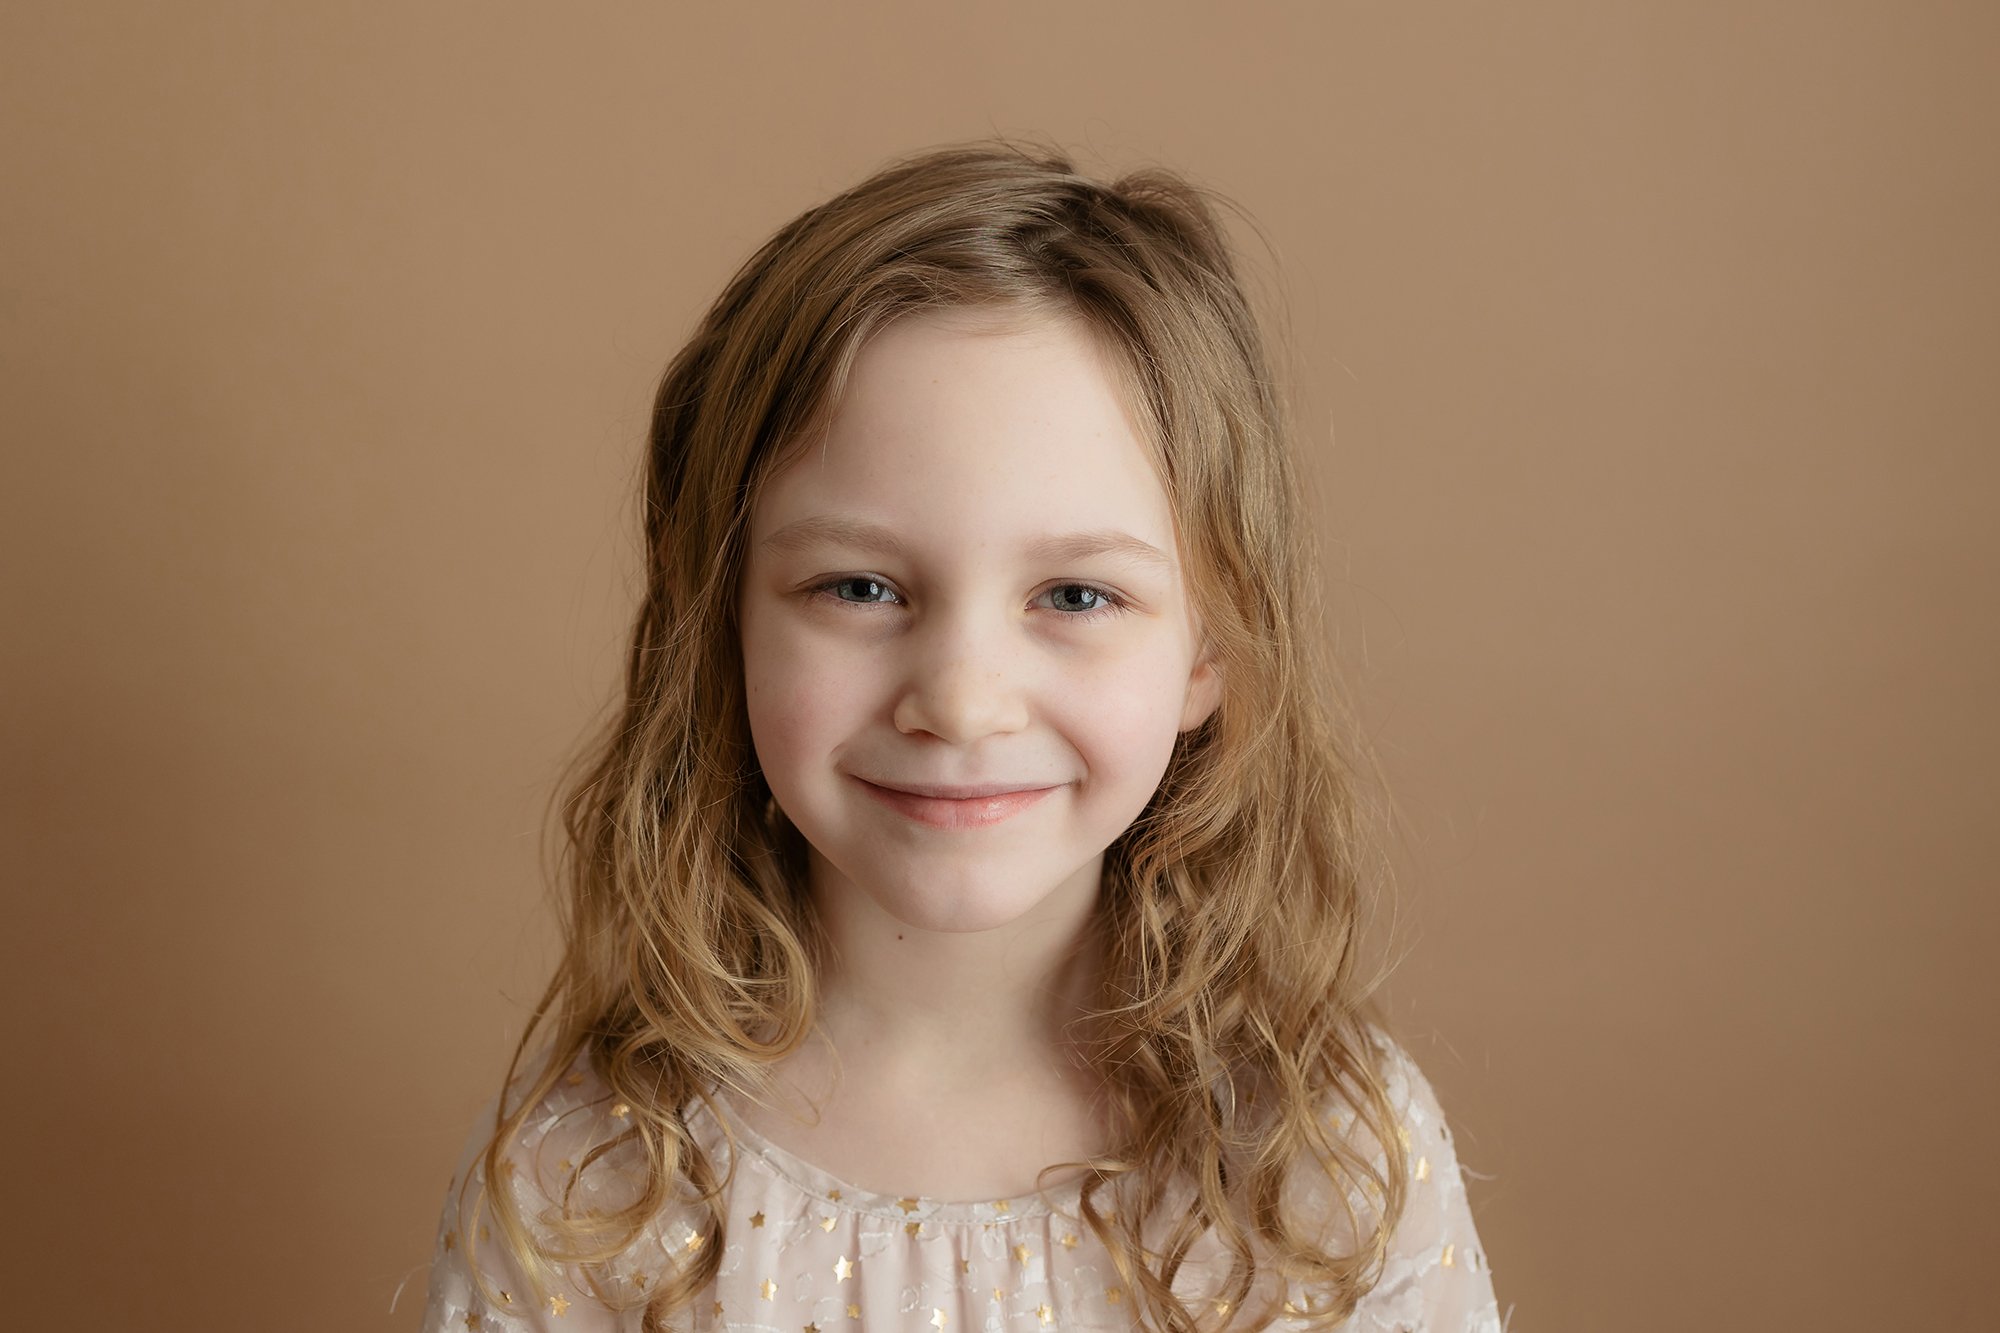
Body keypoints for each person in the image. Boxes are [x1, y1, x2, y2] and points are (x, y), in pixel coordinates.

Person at [418, 141, 1505, 1333]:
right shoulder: (591, 1175)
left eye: (1076, 597)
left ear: (1209, 650)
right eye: (859, 588)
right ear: (719, 620)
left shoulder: (1321, 1162)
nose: (961, 700)